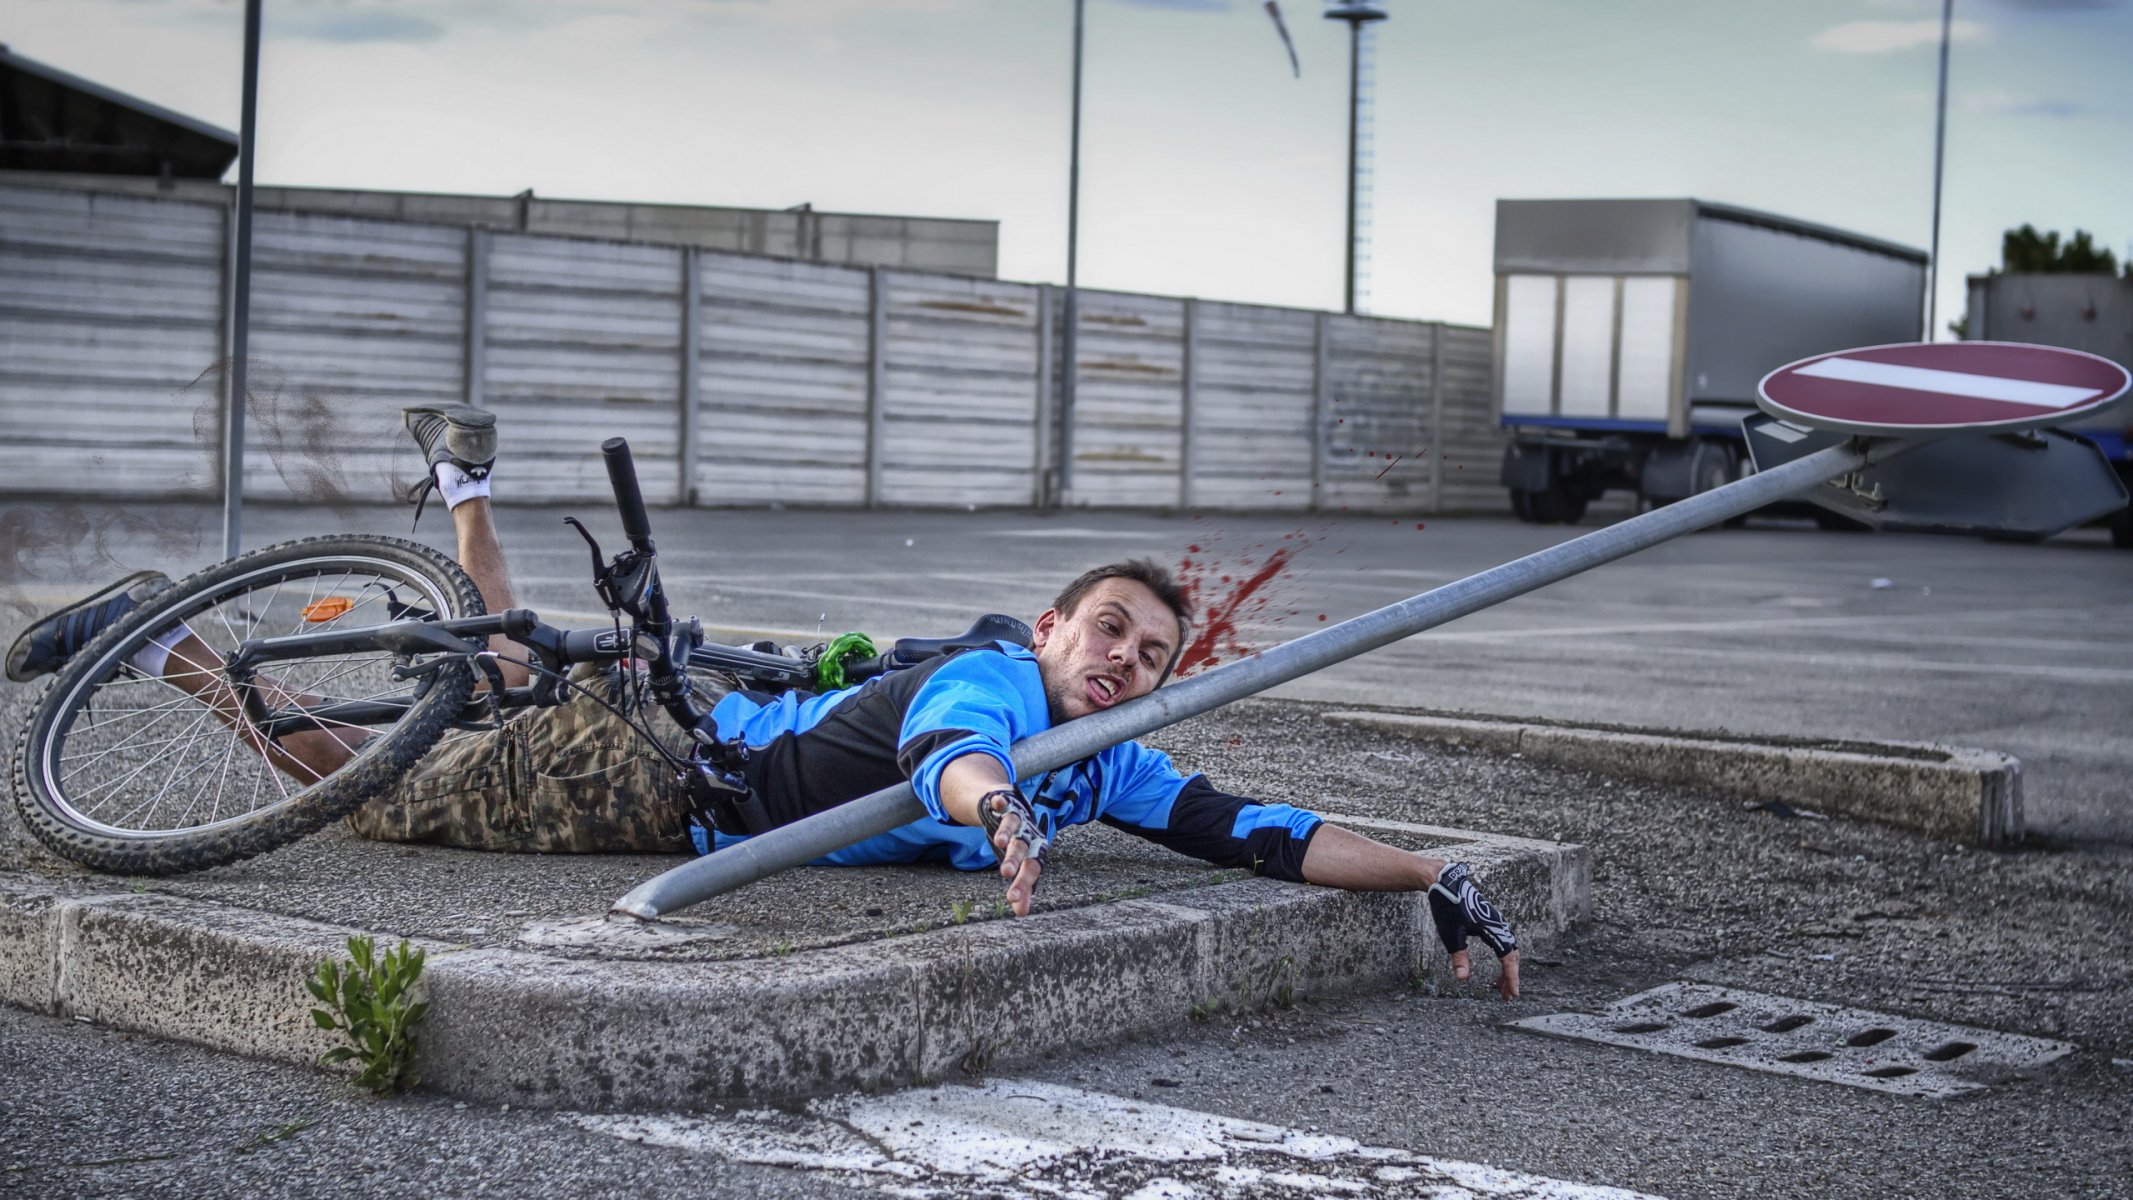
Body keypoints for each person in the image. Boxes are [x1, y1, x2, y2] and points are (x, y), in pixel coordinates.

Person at [7, 405, 1521, 998]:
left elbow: (1262, 830)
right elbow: (948, 758)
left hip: (691, 716)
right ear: (1056, 625)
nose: (1123, 665)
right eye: (1107, 632)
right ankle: (167, 650)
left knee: (506, 657)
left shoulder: (1111, 765)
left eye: (1148, 659)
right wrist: (995, 815)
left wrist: (1435, 878)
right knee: (381, 785)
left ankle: (464, 483)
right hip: (660, 779)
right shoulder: (998, 685)